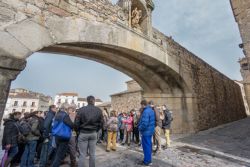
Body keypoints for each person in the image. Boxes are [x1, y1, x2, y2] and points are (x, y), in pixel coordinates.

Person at [75, 96, 103, 167]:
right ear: (94, 101)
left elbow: (76, 123)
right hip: (93, 133)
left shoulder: (81, 110)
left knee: (82, 154)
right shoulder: (98, 110)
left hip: (84, 132)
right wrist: (96, 130)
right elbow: (102, 123)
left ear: (87, 101)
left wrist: (78, 131)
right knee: (92, 154)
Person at [51, 103, 74, 167]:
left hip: (57, 135)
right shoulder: (65, 115)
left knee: (57, 154)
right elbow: (71, 125)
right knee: (59, 156)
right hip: (63, 136)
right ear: (66, 109)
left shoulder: (57, 114)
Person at [138, 100, 155, 166]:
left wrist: (139, 128)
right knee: (149, 145)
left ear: (143, 105)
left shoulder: (146, 111)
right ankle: (149, 159)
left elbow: (145, 123)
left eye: (141, 105)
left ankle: (147, 161)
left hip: (146, 132)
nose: (141, 107)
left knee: (146, 147)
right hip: (150, 131)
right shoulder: (151, 110)